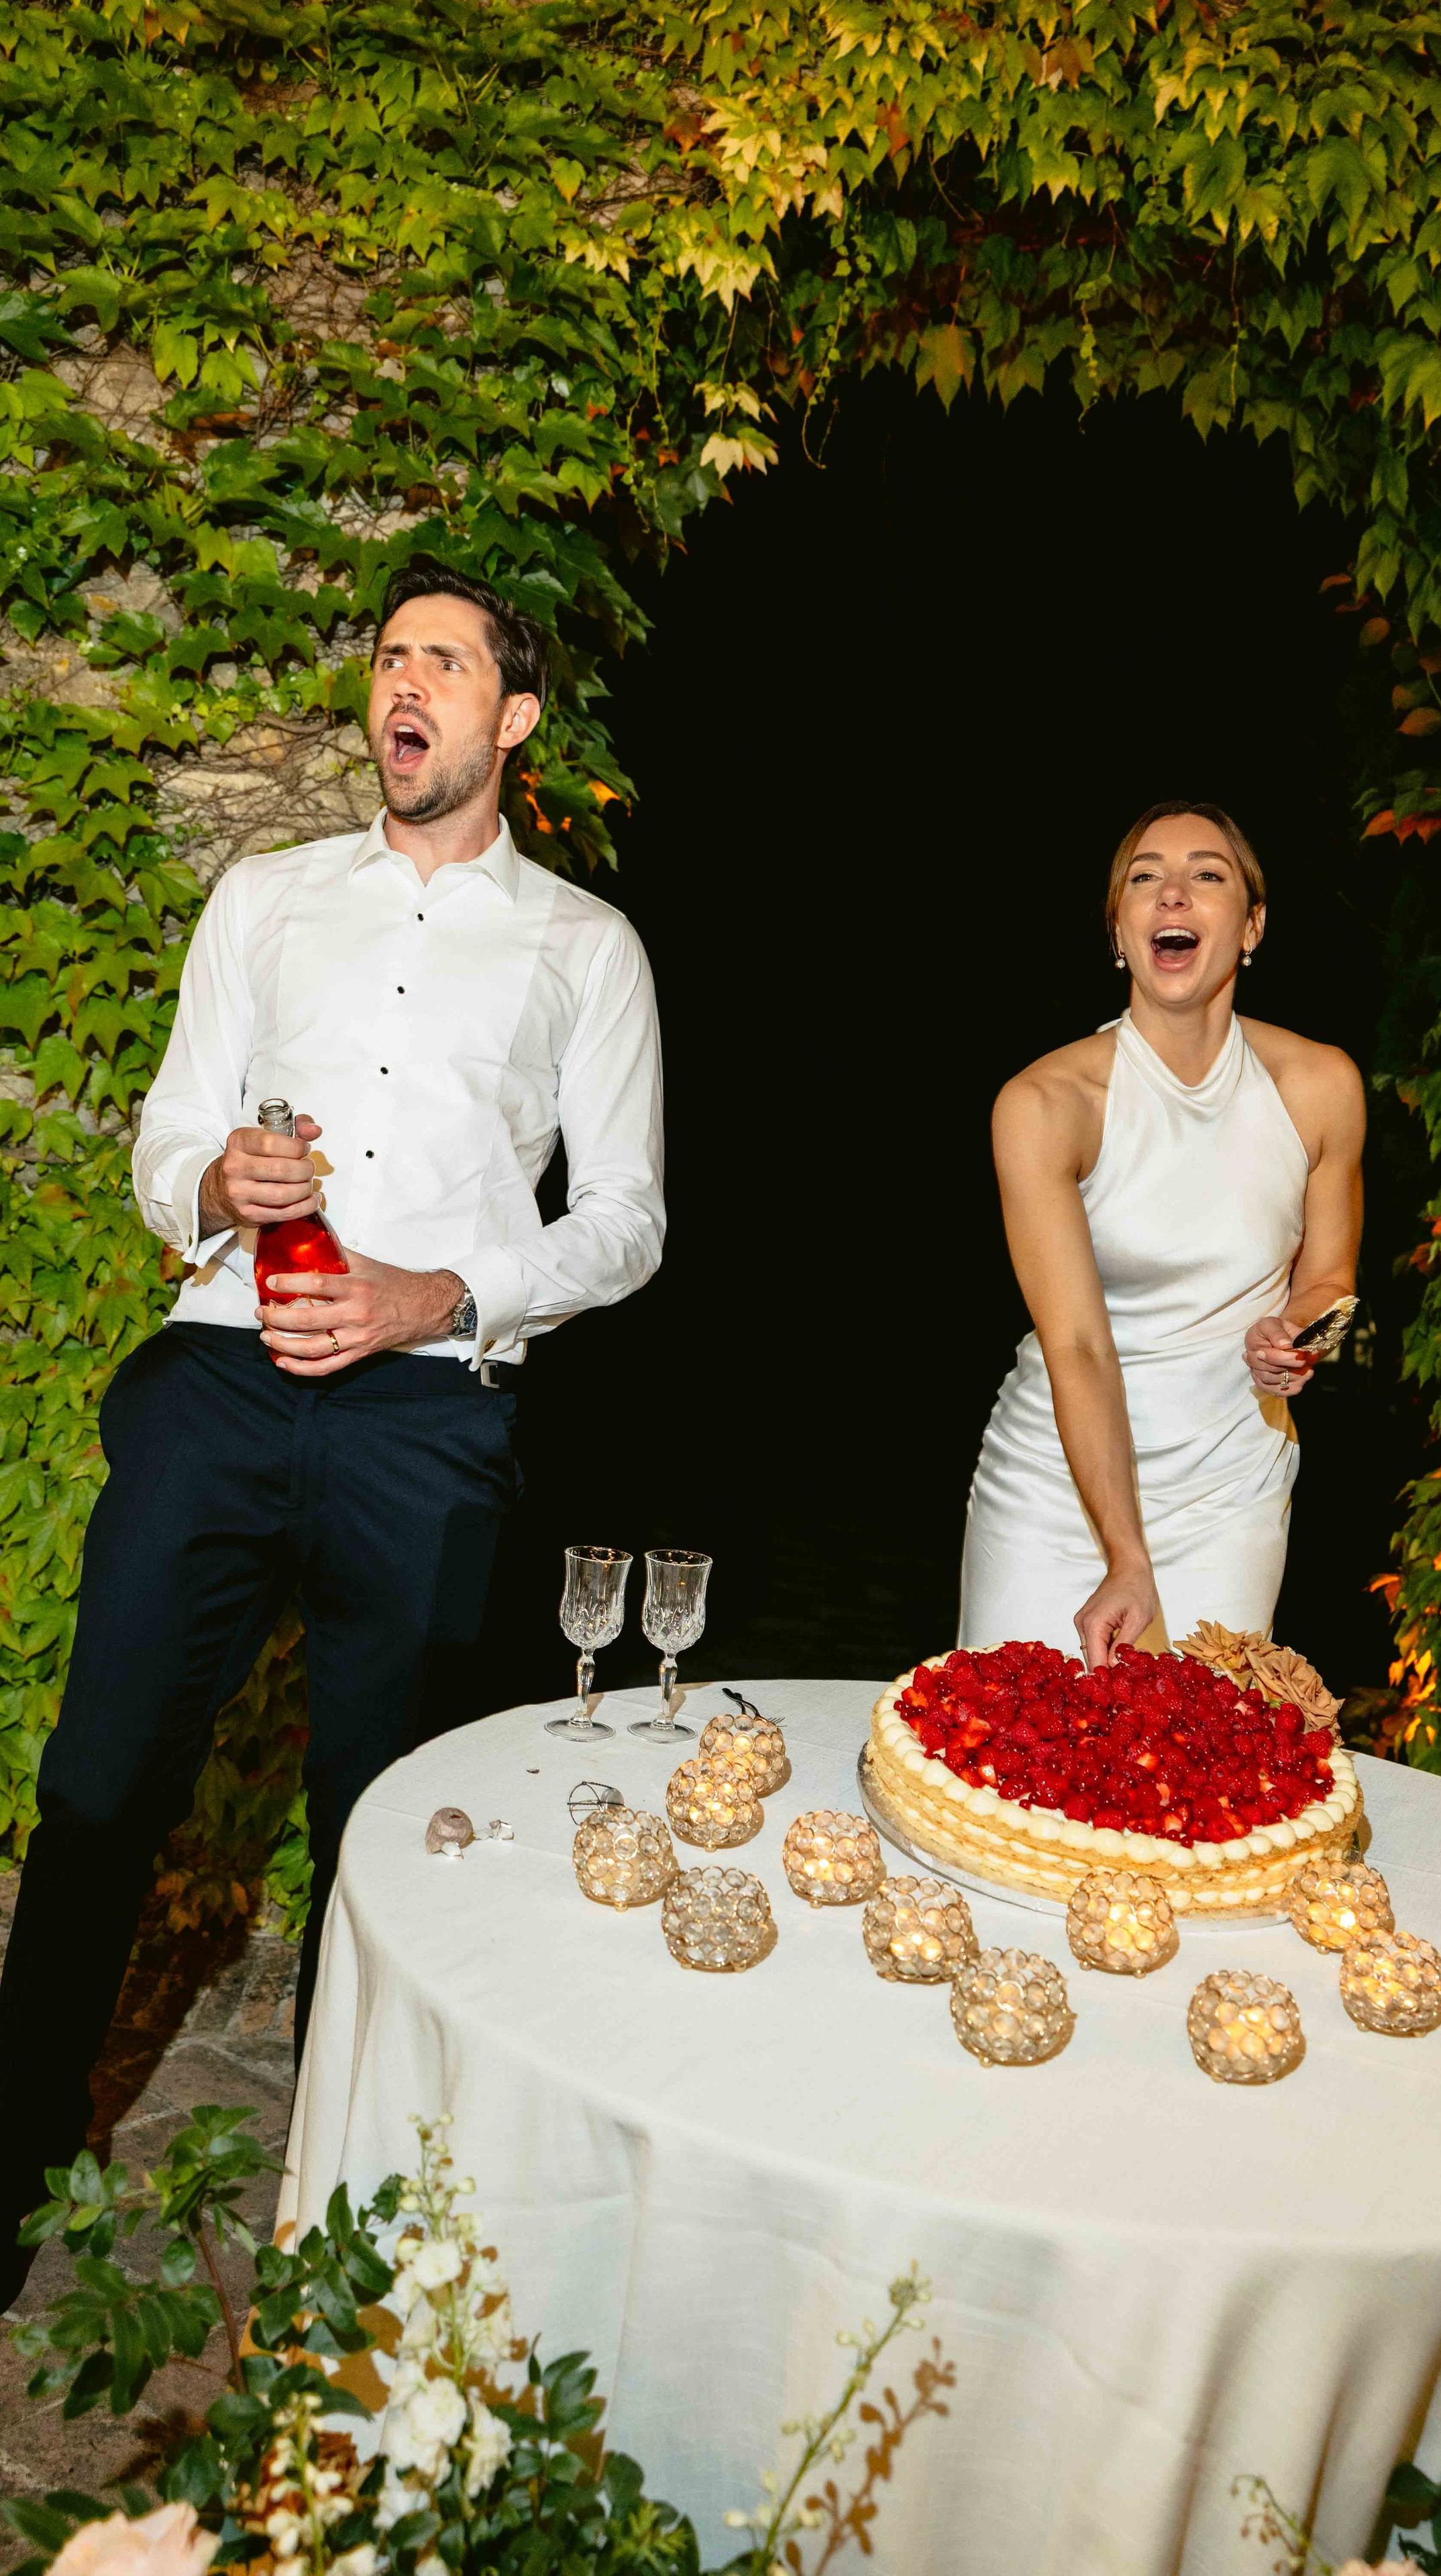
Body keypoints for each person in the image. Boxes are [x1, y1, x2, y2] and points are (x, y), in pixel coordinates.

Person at [0, 561, 665, 2307]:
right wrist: (215, 1180)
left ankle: (337, 2222)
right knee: (96, 1788)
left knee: (379, 1828)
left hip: (426, 1415)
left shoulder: (587, 951)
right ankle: (10, 2171)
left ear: (511, 719)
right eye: (389, 655)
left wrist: (430, 1298)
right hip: (222, 1376)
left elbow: (628, 1223)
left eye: (445, 659)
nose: (405, 680)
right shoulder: (270, 898)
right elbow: (162, 1147)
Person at [959, 799, 1363, 1669]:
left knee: (1190, 1779)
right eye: (1146, 878)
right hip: (1057, 1486)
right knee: (1010, 1772)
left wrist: (1297, 1335)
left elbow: (1331, 1277)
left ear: (1253, 927)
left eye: (1206, 876)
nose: (1172, 894)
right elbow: (1077, 1345)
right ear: (1119, 932)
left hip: (1231, 1487)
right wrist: (1125, 1554)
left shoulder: (1321, 1084)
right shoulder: (1045, 1104)